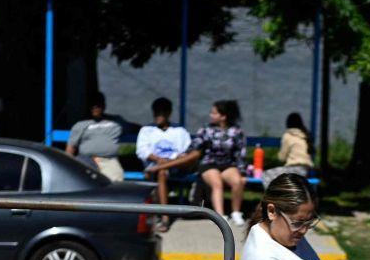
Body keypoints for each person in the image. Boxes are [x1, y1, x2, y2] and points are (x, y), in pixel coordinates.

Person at [154, 99, 246, 223]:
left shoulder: (236, 131)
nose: (210, 115)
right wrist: (183, 155)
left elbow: (240, 153)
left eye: (214, 113)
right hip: (209, 164)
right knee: (217, 183)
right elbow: (194, 145)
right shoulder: (206, 129)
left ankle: (236, 212)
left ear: (223, 116)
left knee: (238, 182)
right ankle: (220, 216)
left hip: (228, 164)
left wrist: (242, 172)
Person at [135, 97, 192, 227]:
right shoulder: (146, 130)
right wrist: (158, 160)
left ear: (168, 113)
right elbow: (142, 151)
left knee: (161, 172)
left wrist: (169, 161)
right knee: (160, 172)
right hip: (154, 165)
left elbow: (186, 152)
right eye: (155, 113)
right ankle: (162, 213)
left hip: (174, 166)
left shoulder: (180, 131)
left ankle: (164, 215)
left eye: (160, 113)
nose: (157, 116)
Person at [64, 91, 125, 181]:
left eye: (97, 105)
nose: (95, 108)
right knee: (84, 182)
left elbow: (135, 128)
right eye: (92, 105)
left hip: (109, 160)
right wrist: (67, 167)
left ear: (103, 106)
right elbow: (70, 148)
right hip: (86, 160)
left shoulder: (116, 122)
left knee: (116, 181)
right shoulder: (80, 124)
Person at [261, 112, 314, 186]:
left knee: (266, 175)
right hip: (305, 171)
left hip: (294, 169)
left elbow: (281, 158)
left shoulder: (288, 135)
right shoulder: (305, 135)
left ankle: (272, 193)